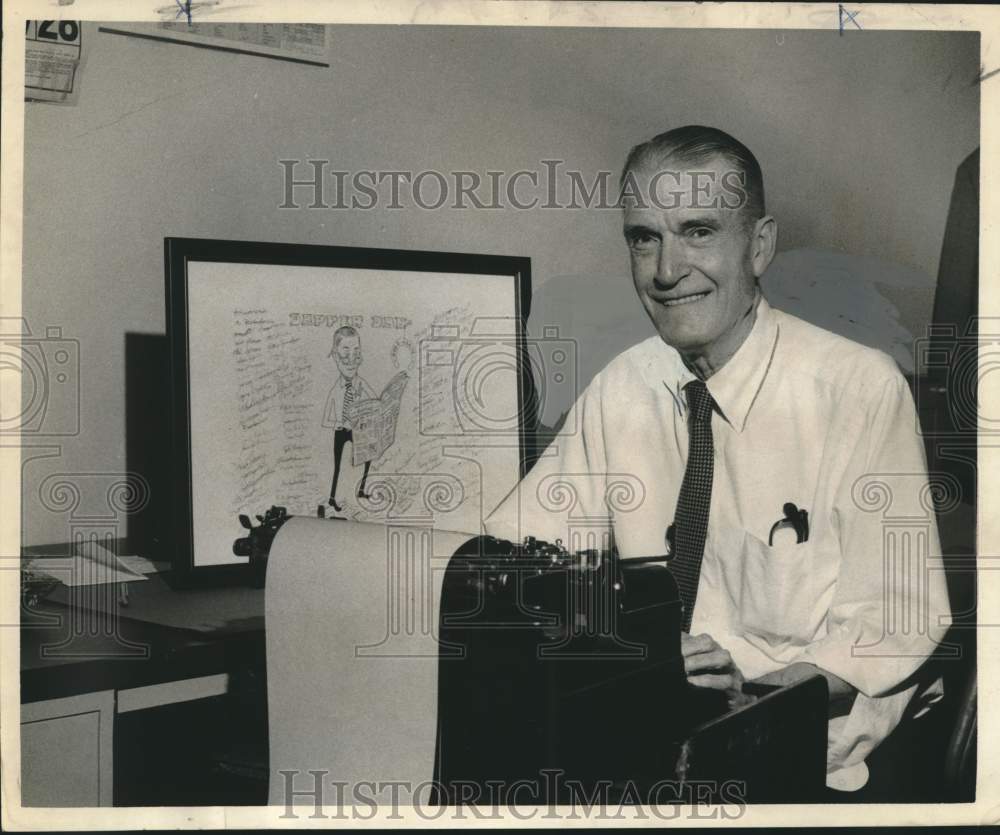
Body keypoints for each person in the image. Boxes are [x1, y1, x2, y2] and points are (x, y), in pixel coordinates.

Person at [485, 125, 952, 795]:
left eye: (698, 231)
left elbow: (894, 621)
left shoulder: (858, 388)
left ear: (759, 245)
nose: (667, 270)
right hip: (647, 750)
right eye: (645, 236)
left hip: (804, 763)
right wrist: (624, 654)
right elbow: (516, 561)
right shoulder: (622, 385)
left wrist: (751, 701)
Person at [322, 326, 377, 511]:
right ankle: (332, 497)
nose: (351, 360)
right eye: (345, 353)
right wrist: (339, 423)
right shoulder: (335, 391)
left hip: (357, 429)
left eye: (356, 354)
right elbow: (326, 420)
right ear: (336, 357)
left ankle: (361, 489)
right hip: (340, 431)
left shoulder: (361, 384)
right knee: (337, 465)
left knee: (368, 453)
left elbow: (376, 402)